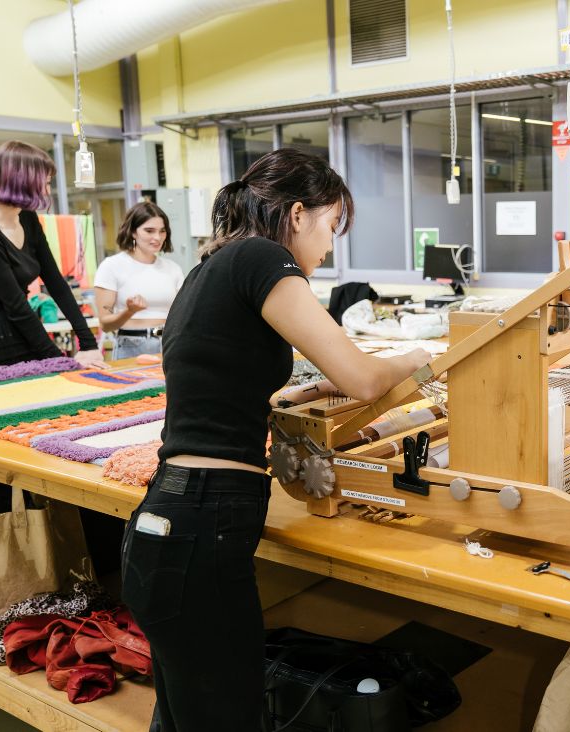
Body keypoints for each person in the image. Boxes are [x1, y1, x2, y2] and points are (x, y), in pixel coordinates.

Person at [120, 148, 430, 732]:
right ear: (296, 214)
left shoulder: (210, 265)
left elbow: (219, 388)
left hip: (170, 524)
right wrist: (418, 359)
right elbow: (362, 377)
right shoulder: (263, 258)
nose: (330, 246)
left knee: (186, 718)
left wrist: (293, 397)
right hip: (201, 530)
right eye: (331, 226)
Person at [0, 140, 105, 371]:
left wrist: (88, 344)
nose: (47, 191)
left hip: (26, 331)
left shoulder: (27, 218)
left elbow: (56, 283)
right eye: (44, 184)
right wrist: (59, 361)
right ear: (21, 181)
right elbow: (14, 304)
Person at [93, 201, 184, 359]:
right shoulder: (112, 266)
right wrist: (130, 311)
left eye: (162, 231)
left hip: (170, 344)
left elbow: (183, 313)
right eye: (149, 231)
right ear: (133, 232)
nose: (157, 237)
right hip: (132, 346)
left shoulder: (173, 268)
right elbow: (105, 324)